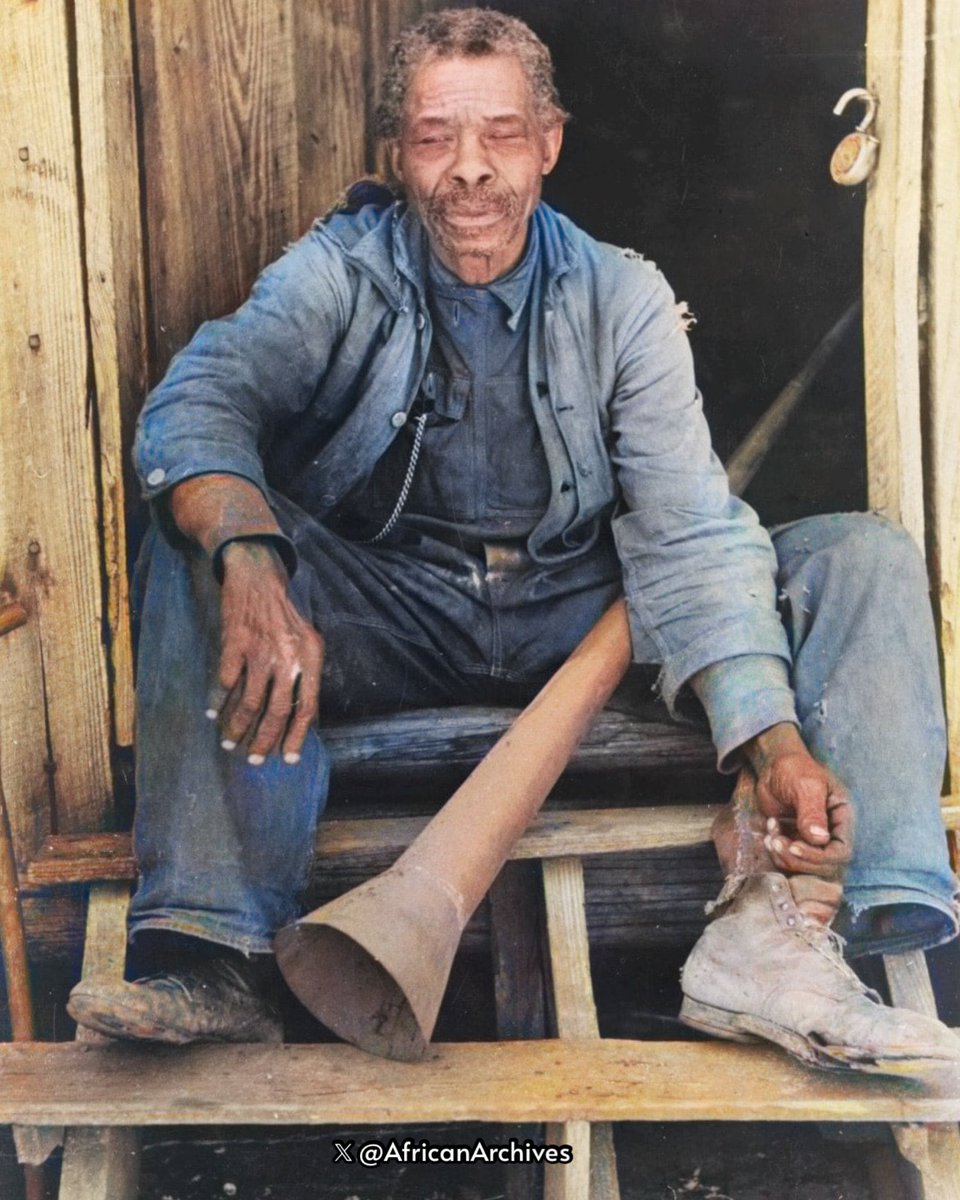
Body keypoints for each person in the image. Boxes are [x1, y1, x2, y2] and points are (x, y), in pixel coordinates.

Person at [69, 8, 960, 1071]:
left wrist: (769, 740)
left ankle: (802, 937)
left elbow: (685, 532)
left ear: (550, 142)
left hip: (573, 610)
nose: (471, 171)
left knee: (858, 555)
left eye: (501, 133)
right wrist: (253, 561)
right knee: (201, 537)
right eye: (437, 137)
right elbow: (197, 402)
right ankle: (218, 954)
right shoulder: (338, 273)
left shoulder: (621, 296)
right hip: (393, 609)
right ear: (398, 155)